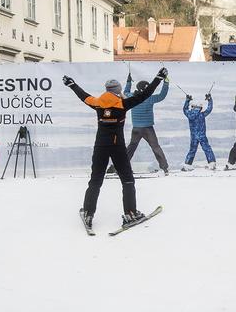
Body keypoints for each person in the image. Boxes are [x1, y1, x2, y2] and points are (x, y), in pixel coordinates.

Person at [63, 68, 167, 229]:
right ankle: (130, 213)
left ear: (106, 91)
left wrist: (72, 84)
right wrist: (158, 78)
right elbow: (145, 94)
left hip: (100, 146)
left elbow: (83, 96)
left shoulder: (97, 103)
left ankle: (88, 214)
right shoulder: (123, 104)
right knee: (127, 179)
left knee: (96, 180)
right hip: (117, 146)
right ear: (118, 91)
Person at [124, 73, 170, 174]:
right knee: (156, 147)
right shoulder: (150, 98)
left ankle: (122, 167)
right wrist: (166, 82)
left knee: (131, 147)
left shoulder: (131, 97)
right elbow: (162, 95)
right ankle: (164, 168)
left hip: (136, 128)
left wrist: (128, 82)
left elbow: (125, 92)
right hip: (148, 129)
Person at [182, 93, 216, 170]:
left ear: (192, 107)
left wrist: (187, 100)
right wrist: (210, 99)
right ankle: (212, 163)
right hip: (202, 135)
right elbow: (209, 109)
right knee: (207, 148)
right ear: (200, 107)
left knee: (192, 150)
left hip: (193, 136)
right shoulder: (202, 115)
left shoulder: (189, 114)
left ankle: (188, 165)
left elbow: (184, 109)